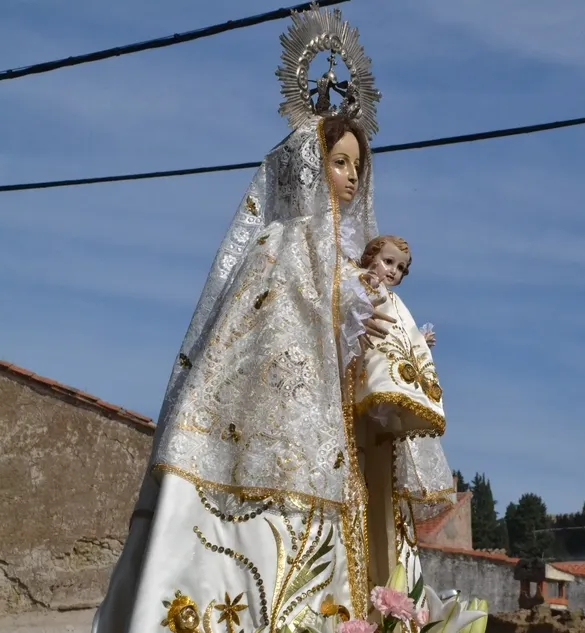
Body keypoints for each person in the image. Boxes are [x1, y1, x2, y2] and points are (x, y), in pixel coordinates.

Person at [93, 9, 456, 633]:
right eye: (338, 161)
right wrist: (341, 313)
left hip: (342, 445)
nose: (350, 177)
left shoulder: (354, 265)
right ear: (308, 164)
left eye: (357, 166)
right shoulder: (281, 246)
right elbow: (278, 339)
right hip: (279, 443)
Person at [350, 235, 446, 438]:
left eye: (401, 268)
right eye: (388, 262)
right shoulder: (366, 283)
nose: (394, 271)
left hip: (391, 355)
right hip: (372, 350)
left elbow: (403, 330)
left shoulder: (395, 301)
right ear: (370, 258)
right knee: (377, 378)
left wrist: (419, 342)